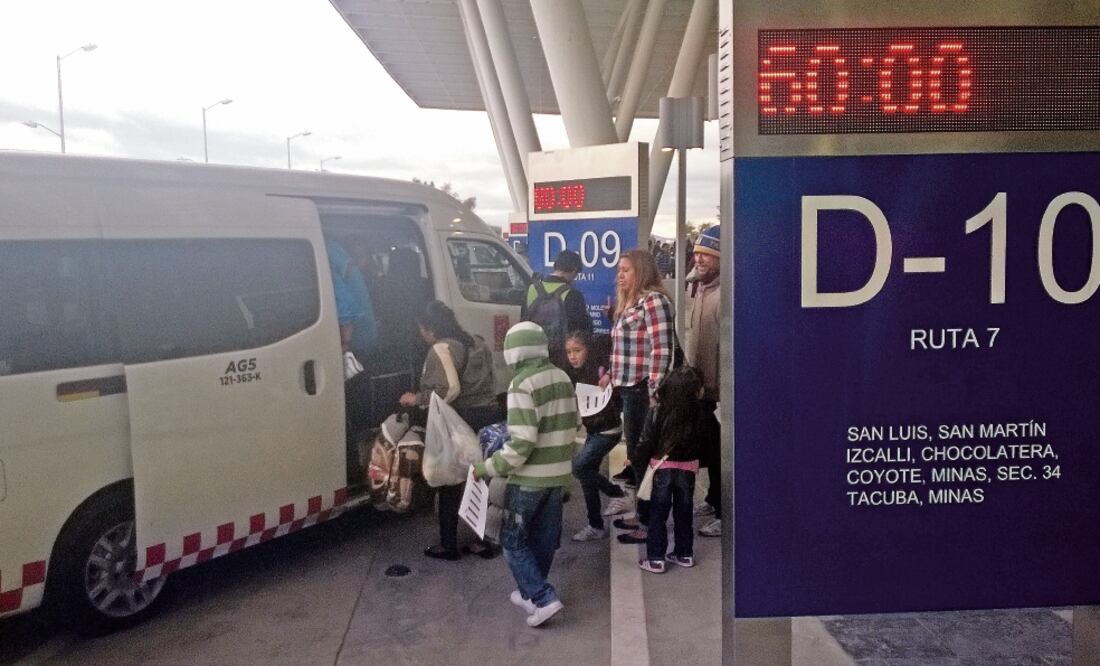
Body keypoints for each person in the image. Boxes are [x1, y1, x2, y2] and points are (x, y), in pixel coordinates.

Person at [473, 321, 580, 628]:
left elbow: (522, 442)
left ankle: (544, 598)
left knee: (513, 541)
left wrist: (487, 468)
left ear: (513, 352)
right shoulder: (561, 376)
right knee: (543, 541)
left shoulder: (521, 384)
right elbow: (575, 424)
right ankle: (529, 592)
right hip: (558, 477)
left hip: (529, 480)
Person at [399, 300, 501, 561]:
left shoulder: (441, 348)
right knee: (484, 479)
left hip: (463, 419)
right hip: (489, 414)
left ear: (428, 328)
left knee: (450, 481)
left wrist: (417, 398)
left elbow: (449, 390)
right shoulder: (476, 342)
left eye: (421, 329)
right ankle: (487, 540)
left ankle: (449, 544)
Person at [599, 249, 675, 545]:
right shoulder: (630, 302)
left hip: (644, 391)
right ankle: (644, 516)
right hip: (629, 389)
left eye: (627, 269)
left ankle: (651, 524)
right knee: (637, 458)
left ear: (641, 271)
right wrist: (611, 376)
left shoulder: (653, 301)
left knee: (645, 459)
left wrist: (655, 391)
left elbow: (661, 349)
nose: (620, 274)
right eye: (619, 269)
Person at [563, 330, 629, 541]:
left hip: (607, 430)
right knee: (586, 475)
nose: (572, 356)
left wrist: (608, 375)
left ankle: (618, 495)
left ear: (587, 350)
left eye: (577, 350)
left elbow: (614, 360)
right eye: (569, 352)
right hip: (594, 431)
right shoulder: (577, 372)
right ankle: (595, 526)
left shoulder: (598, 369)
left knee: (579, 467)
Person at [637, 367, 704, 573]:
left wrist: (637, 461)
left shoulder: (658, 411)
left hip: (662, 468)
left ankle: (656, 559)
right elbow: (704, 441)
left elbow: (647, 441)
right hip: (688, 468)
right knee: (684, 512)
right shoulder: (699, 411)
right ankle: (684, 554)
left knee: (658, 513)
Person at [685, 225, 723, 537]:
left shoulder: (728, 294)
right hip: (704, 389)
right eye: (698, 253)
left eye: (708, 255)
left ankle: (726, 512)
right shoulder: (699, 289)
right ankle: (713, 499)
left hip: (723, 391)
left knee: (723, 452)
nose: (699, 259)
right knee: (710, 449)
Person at [521, 249, 591, 368]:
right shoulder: (573, 294)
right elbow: (580, 332)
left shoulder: (530, 290)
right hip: (561, 361)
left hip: (534, 358)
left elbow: (523, 324)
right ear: (574, 271)